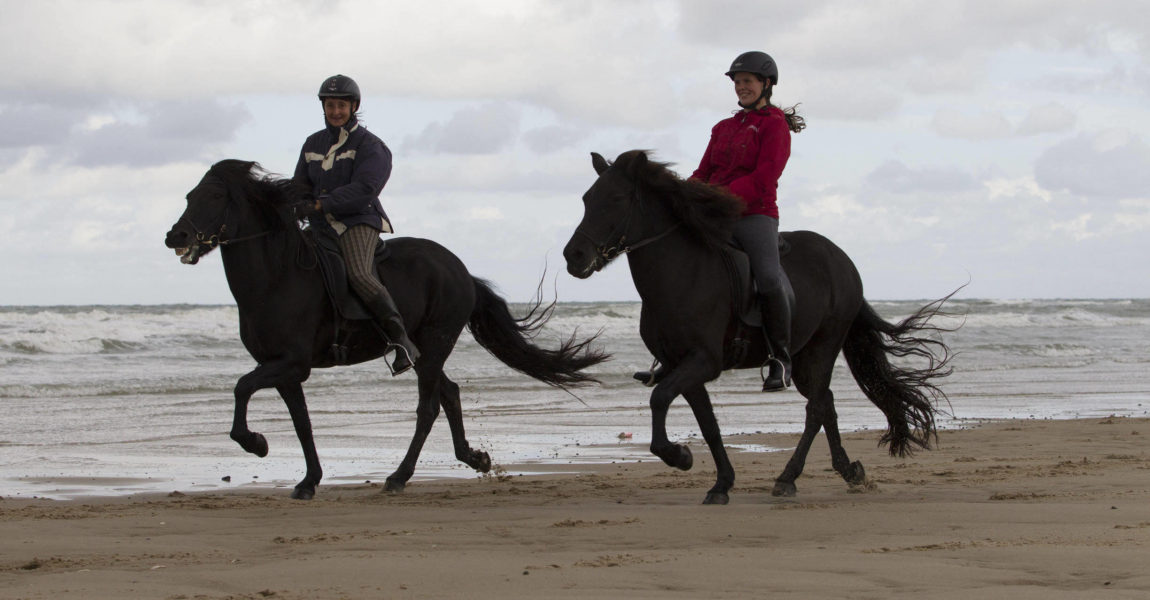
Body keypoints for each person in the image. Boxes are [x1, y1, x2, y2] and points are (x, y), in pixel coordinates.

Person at [634, 51, 805, 392]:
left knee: (769, 279)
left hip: (755, 214)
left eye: (748, 82)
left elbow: (764, 178)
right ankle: (671, 355)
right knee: (679, 264)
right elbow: (704, 171)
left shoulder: (774, 125)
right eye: (738, 83)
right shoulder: (723, 127)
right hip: (713, 211)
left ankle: (780, 358)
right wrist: (683, 192)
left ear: (766, 84)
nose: (742, 87)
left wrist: (718, 194)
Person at [293, 74, 419, 375]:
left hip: (357, 221)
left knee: (360, 274)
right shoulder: (312, 143)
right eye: (330, 105)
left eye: (341, 105)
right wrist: (295, 204)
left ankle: (401, 341)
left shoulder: (371, 145)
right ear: (323, 107)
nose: (335, 111)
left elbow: (366, 188)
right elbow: (299, 183)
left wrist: (323, 203)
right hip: (321, 225)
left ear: (354, 107)